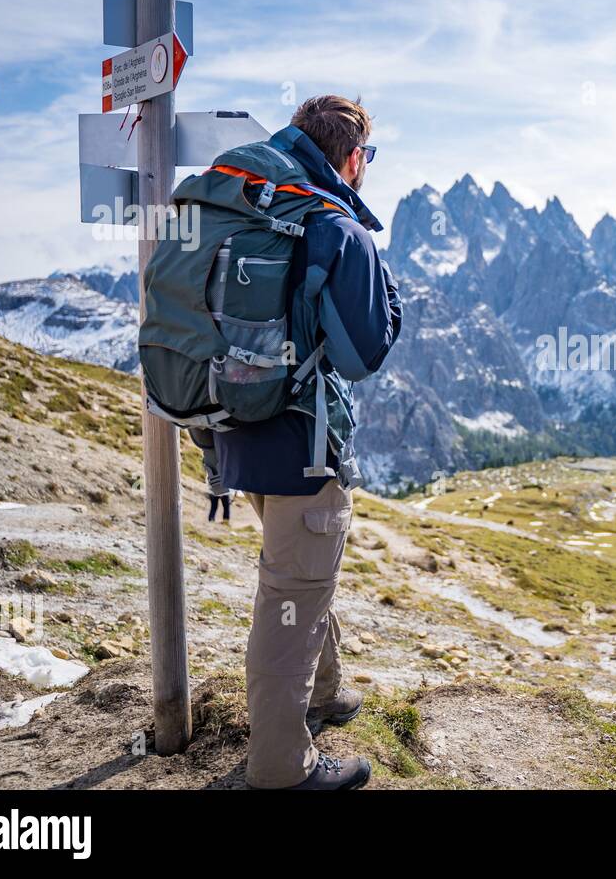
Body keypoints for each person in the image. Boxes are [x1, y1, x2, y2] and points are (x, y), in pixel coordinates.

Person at [213, 95, 402, 790]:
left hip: (230, 429)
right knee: (290, 594)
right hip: (301, 444)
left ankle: (324, 694)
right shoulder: (334, 226)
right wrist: (391, 301)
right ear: (351, 158)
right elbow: (361, 354)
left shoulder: (249, 204)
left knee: (301, 574)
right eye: (368, 158)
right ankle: (280, 769)